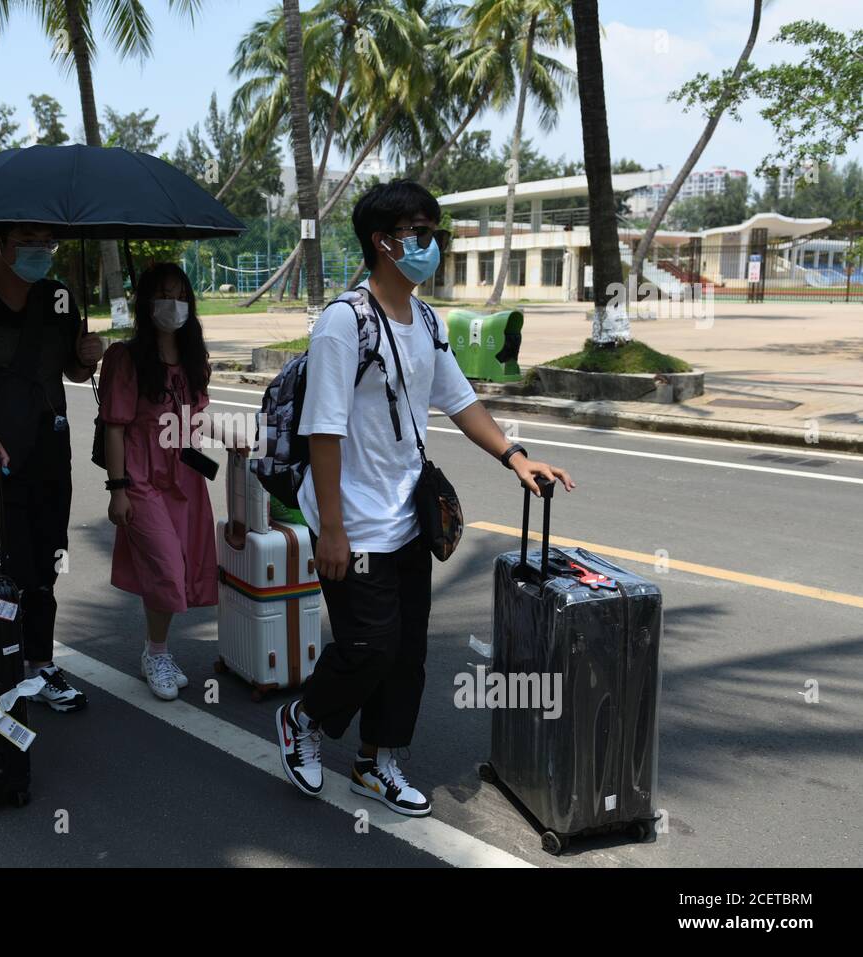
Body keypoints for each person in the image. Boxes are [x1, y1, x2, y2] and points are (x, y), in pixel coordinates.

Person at [275, 180, 576, 816]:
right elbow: (322, 431)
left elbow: (461, 399)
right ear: (383, 242)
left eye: (433, 231)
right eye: (418, 232)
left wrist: (515, 457)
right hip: (353, 522)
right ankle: (303, 717)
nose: (430, 243)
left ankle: (376, 762)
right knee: (368, 647)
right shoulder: (342, 324)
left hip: (409, 515)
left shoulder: (427, 320)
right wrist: (330, 528)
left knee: (408, 649)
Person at [0, 224, 104, 713]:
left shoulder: (58, 297)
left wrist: (87, 358)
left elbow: (71, 370)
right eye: (28, 240)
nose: (41, 251)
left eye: (47, 241)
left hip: (48, 446)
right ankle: (4, 658)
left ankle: (40, 662)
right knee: (6, 562)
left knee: (48, 557)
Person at [99, 263, 219, 701]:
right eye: (164, 295)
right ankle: (156, 654)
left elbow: (196, 417)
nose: (174, 304)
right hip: (142, 477)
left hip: (185, 476)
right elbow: (114, 426)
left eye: (181, 295)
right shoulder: (125, 359)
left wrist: (233, 437)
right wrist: (118, 489)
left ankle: (159, 650)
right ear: (147, 303)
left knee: (183, 567)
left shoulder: (192, 358)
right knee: (166, 566)